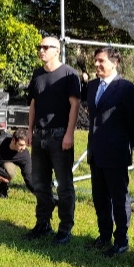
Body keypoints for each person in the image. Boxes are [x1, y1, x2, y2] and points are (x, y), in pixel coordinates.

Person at [24, 36, 81, 245]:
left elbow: (74, 106)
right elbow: (33, 104)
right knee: (40, 184)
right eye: (40, 47)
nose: (42, 50)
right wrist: (29, 131)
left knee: (64, 186)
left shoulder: (68, 75)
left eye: (46, 47)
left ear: (57, 50)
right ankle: (43, 224)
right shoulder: (37, 75)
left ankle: (65, 228)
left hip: (59, 136)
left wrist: (69, 134)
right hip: (39, 135)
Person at [86, 47, 134, 257]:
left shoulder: (126, 88)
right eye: (96, 61)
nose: (97, 64)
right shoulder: (92, 86)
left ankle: (121, 240)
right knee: (100, 198)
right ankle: (104, 236)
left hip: (116, 154)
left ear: (115, 63)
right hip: (96, 154)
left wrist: (126, 145)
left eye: (101, 61)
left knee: (119, 199)